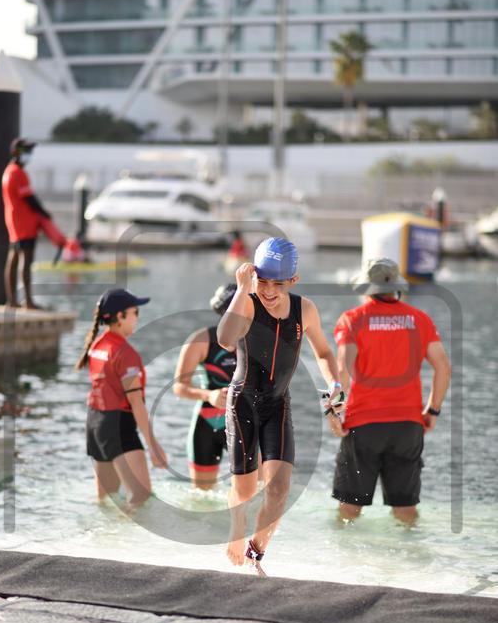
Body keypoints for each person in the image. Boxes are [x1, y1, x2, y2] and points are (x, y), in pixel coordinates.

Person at [217, 237, 345, 573]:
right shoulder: (247, 302)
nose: (269, 291)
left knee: (279, 490)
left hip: (277, 405)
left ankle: (255, 554)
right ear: (253, 276)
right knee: (245, 490)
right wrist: (242, 289)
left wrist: (335, 385)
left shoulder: (305, 310)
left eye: (279, 283)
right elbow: (225, 339)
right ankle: (236, 524)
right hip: (242, 403)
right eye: (263, 281)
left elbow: (324, 352)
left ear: (293, 280)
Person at [332, 258, 451, 527]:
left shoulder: (352, 320)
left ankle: (343, 553)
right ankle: (409, 552)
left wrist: (335, 411)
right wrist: (432, 410)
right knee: (406, 510)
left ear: (366, 287)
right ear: (396, 286)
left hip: (364, 425)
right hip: (408, 425)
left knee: (349, 509)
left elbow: (342, 369)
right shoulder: (420, 319)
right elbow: (443, 367)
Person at [75, 287, 167, 508]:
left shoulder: (97, 345)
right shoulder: (125, 353)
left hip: (95, 424)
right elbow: (136, 403)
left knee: (106, 500)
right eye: (135, 312)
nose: (137, 318)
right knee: (140, 497)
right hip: (119, 426)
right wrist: (153, 445)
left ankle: (105, 531)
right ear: (120, 316)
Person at [173, 284, 237, 490]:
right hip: (208, 423)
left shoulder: (258, 341)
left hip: (246, 425)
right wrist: (209, 395)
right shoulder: (201, 340)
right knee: (202, 498)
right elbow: (179, 386)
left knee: (255, 495)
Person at [2, 138, 53, 309]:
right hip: (24, 224)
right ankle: (28, 301)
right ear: (16, 152)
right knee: (26, 259)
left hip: (14, 222)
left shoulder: (8, 171)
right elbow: (29, 199)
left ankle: (12, 300)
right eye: (26, 151)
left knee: (14, 258)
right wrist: (45, 214)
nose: (29, 155)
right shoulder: (18, 173)